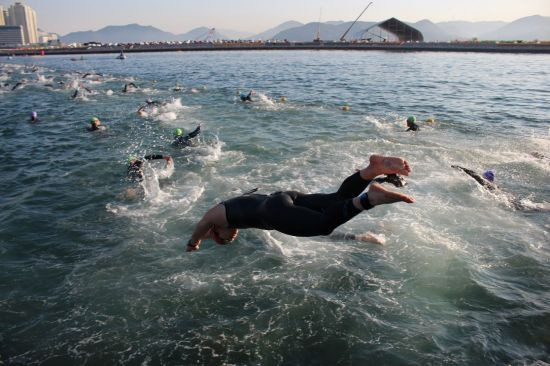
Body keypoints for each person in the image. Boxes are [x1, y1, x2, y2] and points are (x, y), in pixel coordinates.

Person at [186, 155, 414, 251]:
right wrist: (205, 237)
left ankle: (369, 198)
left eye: (223, 241)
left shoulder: (216, 217)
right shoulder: (232, 212)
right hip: (284, 197)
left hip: (274, 211)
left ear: (216, 232)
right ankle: (371, 170)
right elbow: (209, 228)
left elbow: (203, 223)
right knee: (336, 199)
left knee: (322, 226)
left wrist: (194, 242)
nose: (230, 239)